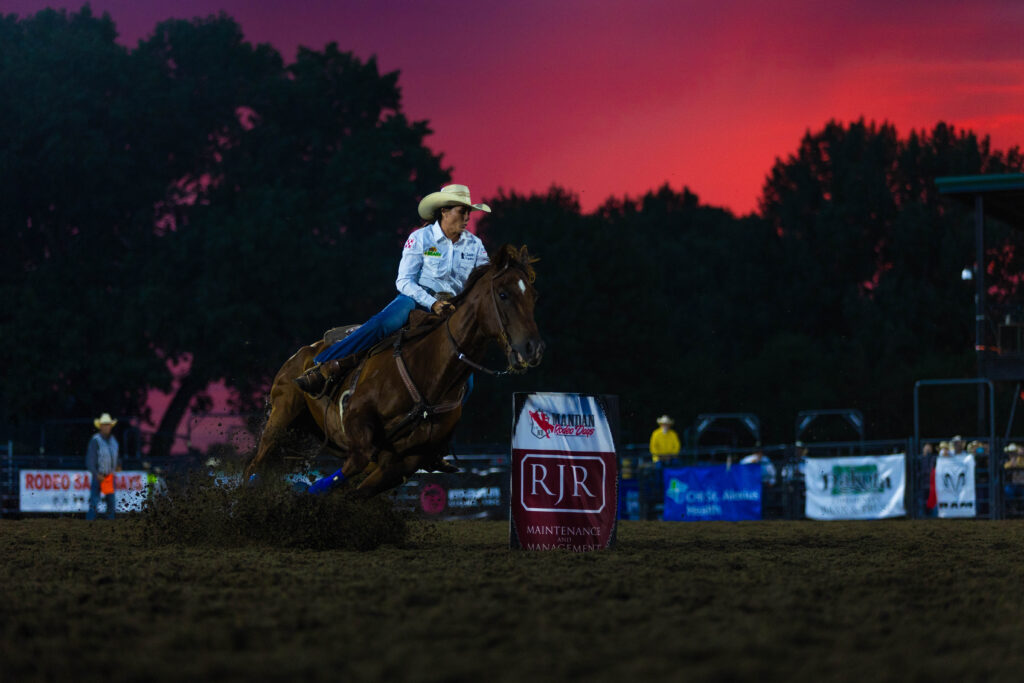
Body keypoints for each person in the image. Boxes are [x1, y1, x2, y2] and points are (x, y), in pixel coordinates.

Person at [294, 184, 491, 396]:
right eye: (462, 211)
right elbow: (404, 281)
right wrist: (432, 302)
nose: (467, 217)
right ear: (444, 211)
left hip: (452, 309)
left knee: (467, 384)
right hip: (416, 300)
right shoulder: (420, 238)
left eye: (469, 212)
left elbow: (485, 280)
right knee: (382, 324)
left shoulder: (475, 245)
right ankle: (324, 365)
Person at [86, 413, 120, 520]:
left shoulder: (113, 440)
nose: (106, 427)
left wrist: (118, 464)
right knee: (94, 502)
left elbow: (116, 456)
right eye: (104, 425)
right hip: (99, 475)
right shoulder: (95, 440)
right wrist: (96, 474)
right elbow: (90, 460)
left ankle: (109, 524)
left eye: (108, 425)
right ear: (100, 426)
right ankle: (90, 523)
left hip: (109, 476)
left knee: (111, 504)